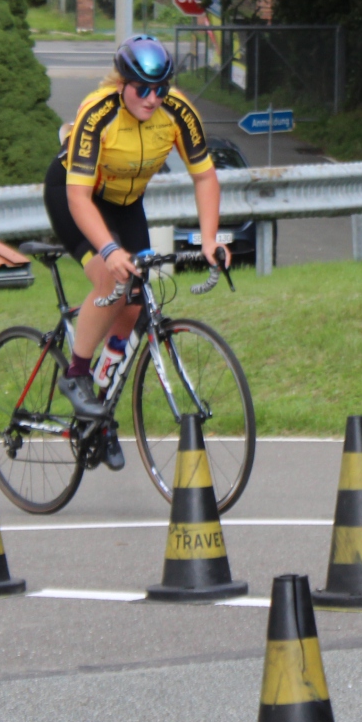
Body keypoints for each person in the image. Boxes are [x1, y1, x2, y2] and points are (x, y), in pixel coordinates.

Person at [43, 35, 230, 465]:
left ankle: (100, 414)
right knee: (112, 279)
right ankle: (75, 374)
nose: (152, 98)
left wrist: (209, 239)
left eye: (160, 88)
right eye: (142, 88)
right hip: (75, 196)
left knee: (134, 303)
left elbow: (205, 177)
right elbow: (78, 198)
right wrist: (108, 249)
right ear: (122, 83)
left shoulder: (177, 112)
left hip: (125, 204)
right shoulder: (99, 113)